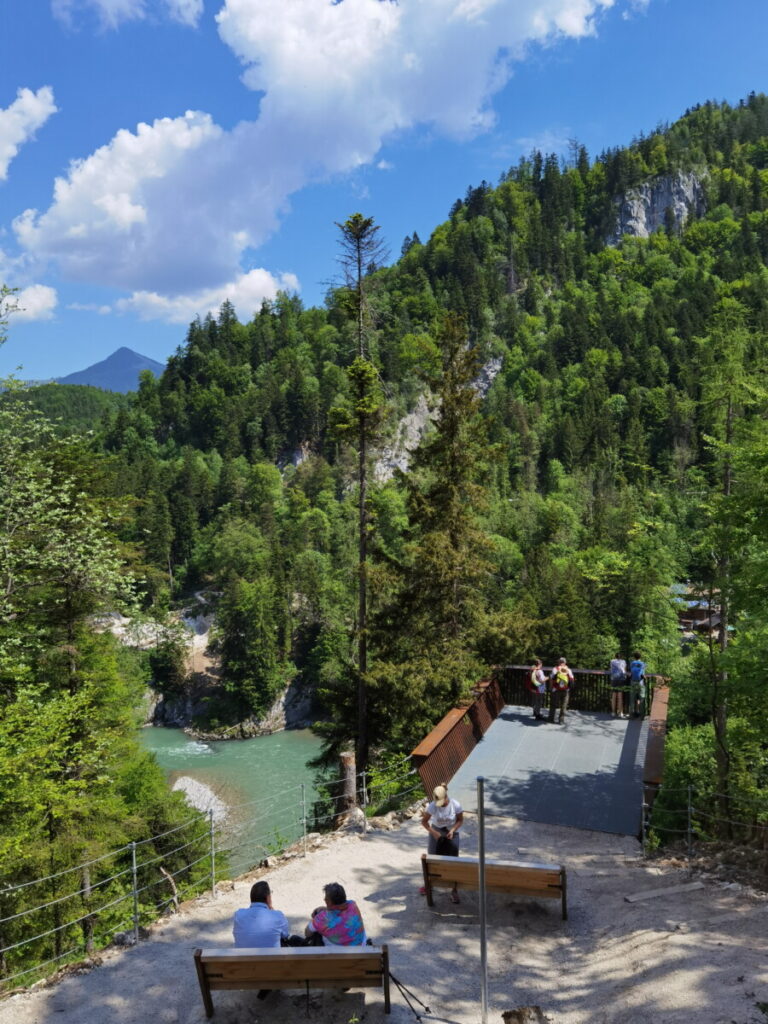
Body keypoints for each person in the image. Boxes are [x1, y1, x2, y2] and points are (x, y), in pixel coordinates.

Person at [420, 783, 464, 903]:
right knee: (432, 860)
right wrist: (433, 832)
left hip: (451, 831)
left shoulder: (455, 804)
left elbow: (460, 820)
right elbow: (424, 822)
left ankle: (454, 891)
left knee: (453, 861)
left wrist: (453, 830)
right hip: (436, 830)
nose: (441, 805)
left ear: (446, 797)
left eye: (442, 802)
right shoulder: (433, 806)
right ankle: (429, 885)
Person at [232, 880, 290, 948]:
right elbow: (285, 935)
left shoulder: (238, 915)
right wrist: (272, 912)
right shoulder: (277, 916)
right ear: (268, 898)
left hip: (242, 958)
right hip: (272, 958)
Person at [548, 657, 574, 724]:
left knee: (553, 704)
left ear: (559, 662)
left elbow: (550, 678)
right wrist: (569, 688)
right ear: (565, 662)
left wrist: (551, 687)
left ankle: (551, 719)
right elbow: (571, 680)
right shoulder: (569, 670)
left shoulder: (555, 669)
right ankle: (561, 720)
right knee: (564, 706)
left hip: (556, 689)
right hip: (565, 690)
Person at [608, 653, 627, 718]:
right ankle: (620, 712)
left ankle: (613, 712)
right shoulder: (623, 661)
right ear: (621, 657)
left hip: (614, 679)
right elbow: (624, 670)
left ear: (615, 656)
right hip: (621, 679)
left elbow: (611, 669)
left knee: (613, 696)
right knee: (620, 696)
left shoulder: (612, 661)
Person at [628, 651, 647, 718]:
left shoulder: (632, 663)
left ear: (634, 657)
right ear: (640, 657)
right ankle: (642, 716)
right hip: (640, 682)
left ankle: (631, 715)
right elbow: (643, 674)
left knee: (632, 698)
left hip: (633, 682)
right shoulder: (643, 664)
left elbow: (631, 672)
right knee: (642, 698)